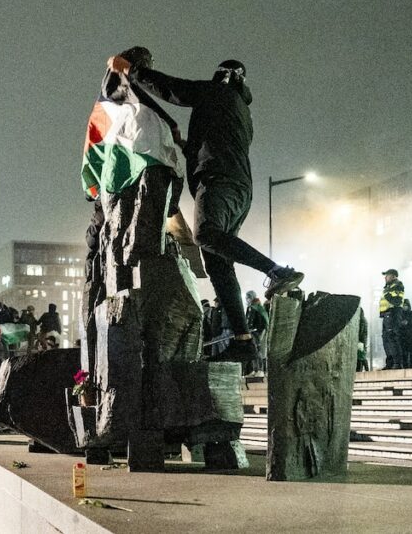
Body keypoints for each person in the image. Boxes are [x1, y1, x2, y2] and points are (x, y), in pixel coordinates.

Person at [110, 55, 304, 363]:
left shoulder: (218, 92)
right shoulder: (240, 111)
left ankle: (276, 271)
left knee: (205, 234)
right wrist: (186, 144)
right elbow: (217, 141)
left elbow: (174, 90)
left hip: (218, 180)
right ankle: (242, 341)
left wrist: (132, 70)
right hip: (238, 187)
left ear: (225, 77)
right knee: (218, 264)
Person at [379, 269, 406, 369]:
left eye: (387, 275)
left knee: (392, 338)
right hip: (387, 314)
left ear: (394, 276)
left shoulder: (398, 285)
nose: (385, 277)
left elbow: (397, 301)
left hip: (393, 313)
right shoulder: (389, 287)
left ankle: (397, 363)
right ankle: (390, 363)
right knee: (386, 339)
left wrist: (387, 294)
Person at [244, 291, 268, 377]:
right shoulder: (249, 308)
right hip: (251, 332)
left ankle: (260, 370)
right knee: (253, 351)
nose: (247, 299)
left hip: (256, 333)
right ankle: (254, 369)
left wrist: (259, 331)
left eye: (248, 297)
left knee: (258, 351)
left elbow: (263, 322)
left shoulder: (258, 308)